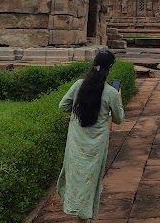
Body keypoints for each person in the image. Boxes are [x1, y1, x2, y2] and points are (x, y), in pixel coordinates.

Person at [57, 50, 124, 222]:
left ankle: (75, 210)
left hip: (76, 141)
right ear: (109, 68)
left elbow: (63, 105)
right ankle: (85, 216)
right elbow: (119, 119)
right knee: (91, 179)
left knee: (76, 176)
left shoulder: (79, 85)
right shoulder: (111, 93)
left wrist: (77, 109)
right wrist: (119, 98)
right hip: (96, 145)